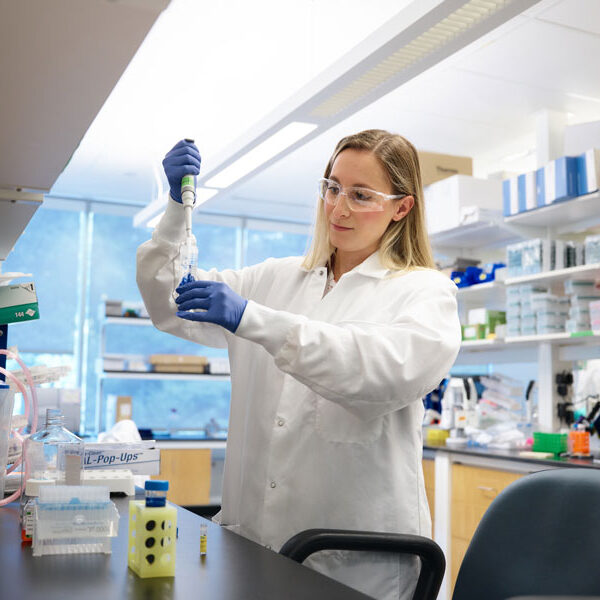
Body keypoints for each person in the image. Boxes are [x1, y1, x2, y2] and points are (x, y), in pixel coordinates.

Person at [136, 129, 461, 600]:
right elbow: (170, 302)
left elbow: (383, 373)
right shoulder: (276, 277)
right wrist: (175, 210)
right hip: (253, 550)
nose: (338, 208)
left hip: (351, 566)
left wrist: (254, 319)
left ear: (402, 207)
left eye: (361, 195)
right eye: (332, 188)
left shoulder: (424, 292)